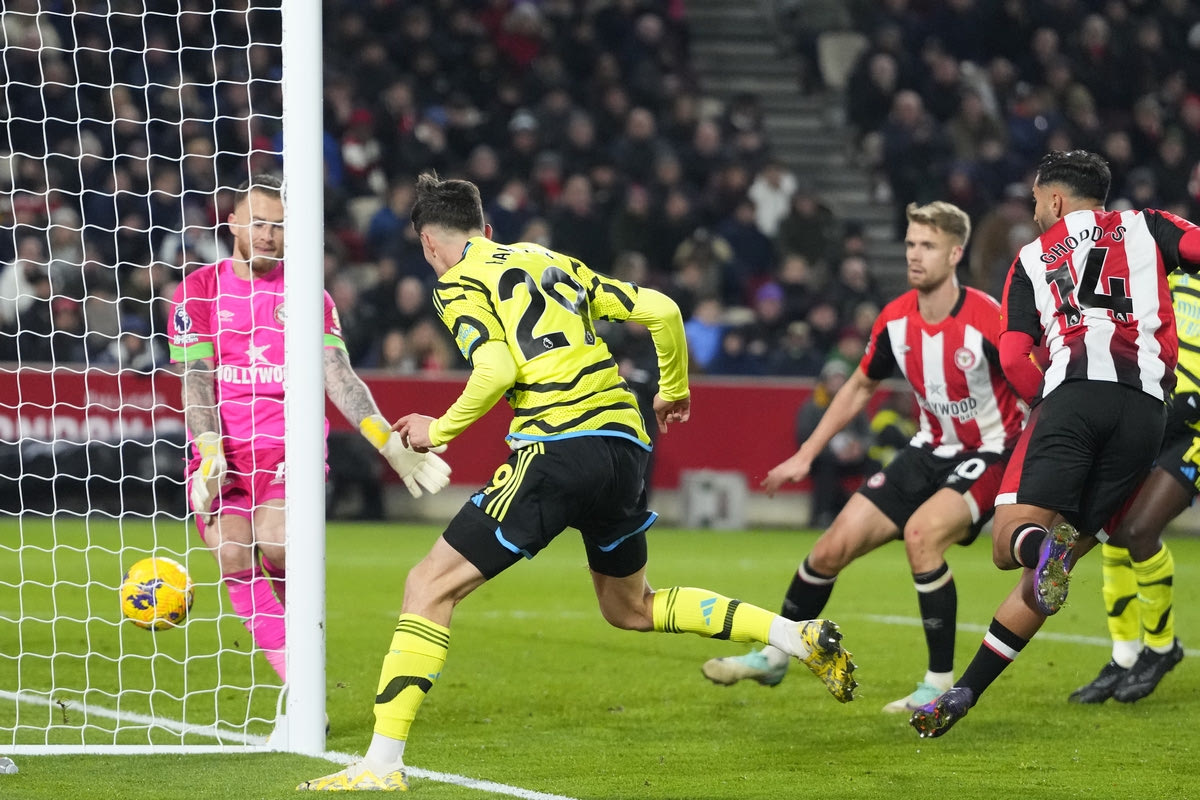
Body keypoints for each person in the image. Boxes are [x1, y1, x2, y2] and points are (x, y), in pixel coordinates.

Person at [298, 173, 858, 792]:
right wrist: (673, 388)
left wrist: (441, 428)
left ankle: (380, 765)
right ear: (487, 229)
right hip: (625, 448)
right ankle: (795, 636)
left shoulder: (456, 283)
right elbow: (663, 310)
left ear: (429, 243)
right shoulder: (547, 259)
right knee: (630, 608)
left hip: (557, 445)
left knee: (427, 586)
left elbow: (495, 367)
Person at [910, 149, 1200, 738]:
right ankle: (966, 690)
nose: (1036, 210)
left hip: (1073, 397)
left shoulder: (1030, 258)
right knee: (1058, 564)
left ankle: (1038, 549)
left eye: (1038, 200)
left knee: (1007, 544)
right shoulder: (1148, 226)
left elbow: (1015, 355)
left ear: (1057, 199)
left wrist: (1049, 404)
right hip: (1146, 412)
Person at [700, 201, 1026, 714]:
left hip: (989, 453)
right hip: (926, 449)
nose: (914, 255)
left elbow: (1035, 386)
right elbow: (858, 386)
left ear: (955, 253)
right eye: (911, 244)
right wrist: (807, 454)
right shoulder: (895, 319)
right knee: (830, 549)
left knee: (921, 537)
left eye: (928, 246)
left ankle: (938, 682)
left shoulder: (991, 319)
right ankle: (776, 655)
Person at [168, 174, 451, 685]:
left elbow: (337, 374)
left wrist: (386, 441)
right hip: (222, 452)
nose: (268, 235)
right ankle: (299, 686)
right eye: (258, 223)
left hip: (287, 450)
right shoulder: (199, 291)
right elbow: (195, 378)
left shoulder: (306, 295)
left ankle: (304, 680)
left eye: (279, 225)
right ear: (232, 223)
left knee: (278, 544)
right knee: (232, 553)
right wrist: (208, 448)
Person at [1067, 268, 1200, 704]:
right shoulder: (1170, 269)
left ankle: (1161, 648)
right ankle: (1124, 655)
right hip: (1151, 411)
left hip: (1194, 431)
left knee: (1139, 530)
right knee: (1112, 527)